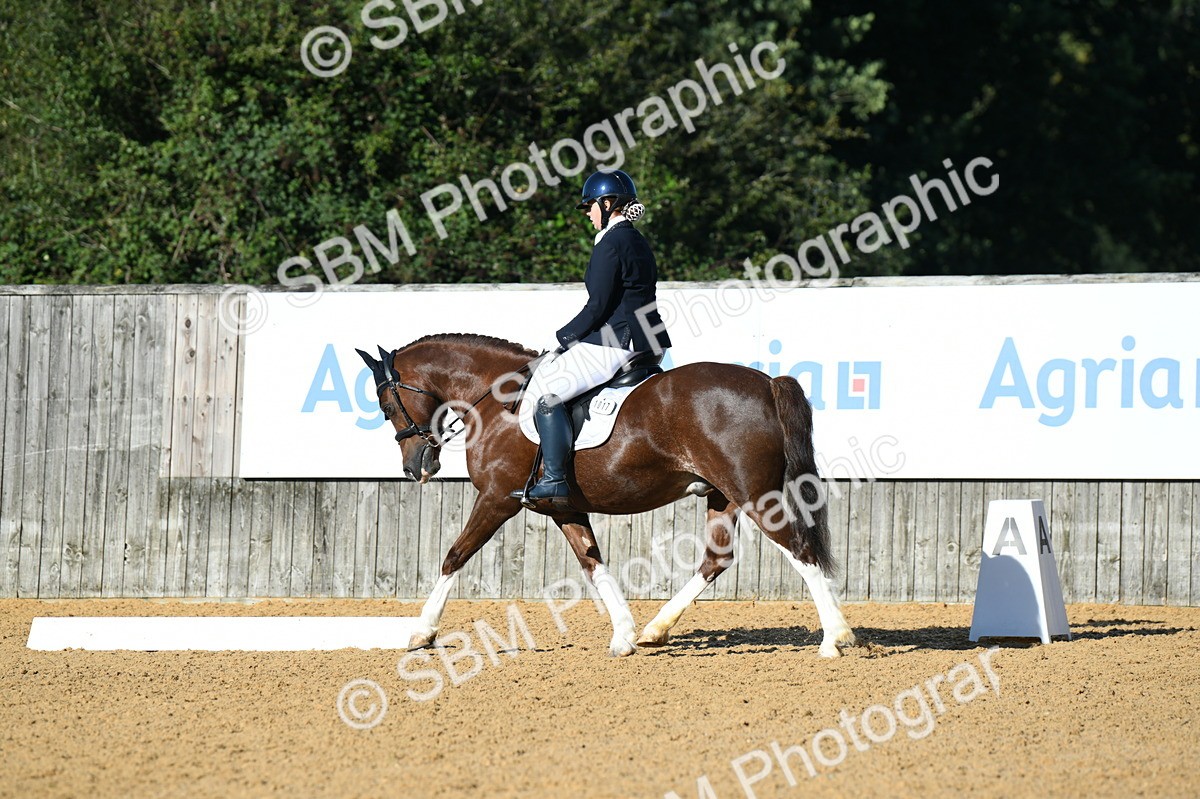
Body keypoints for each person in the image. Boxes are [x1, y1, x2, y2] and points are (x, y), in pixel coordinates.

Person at [513, 169, 672, 508]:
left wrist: (564, 337)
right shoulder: (637, 240)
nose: (587, 213)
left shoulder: (611, 243)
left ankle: (554, 479)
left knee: (547, 395)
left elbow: (598, 305)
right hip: (649, 339)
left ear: (607, 202)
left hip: (617, 341)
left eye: (589, 206)